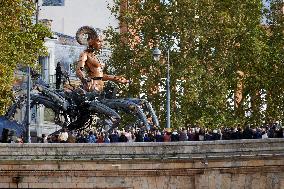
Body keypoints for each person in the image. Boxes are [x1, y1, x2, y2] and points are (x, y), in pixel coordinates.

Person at [76, 27, 129, 93]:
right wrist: (85, 82)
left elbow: (100, 76)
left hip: (100, 89)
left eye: (102, 41)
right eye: (99, 41)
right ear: (91, 41)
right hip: (92, 89)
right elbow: (78, 71)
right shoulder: (85, 54)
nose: (101, 44)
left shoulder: (95, 57)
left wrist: (116, 78)